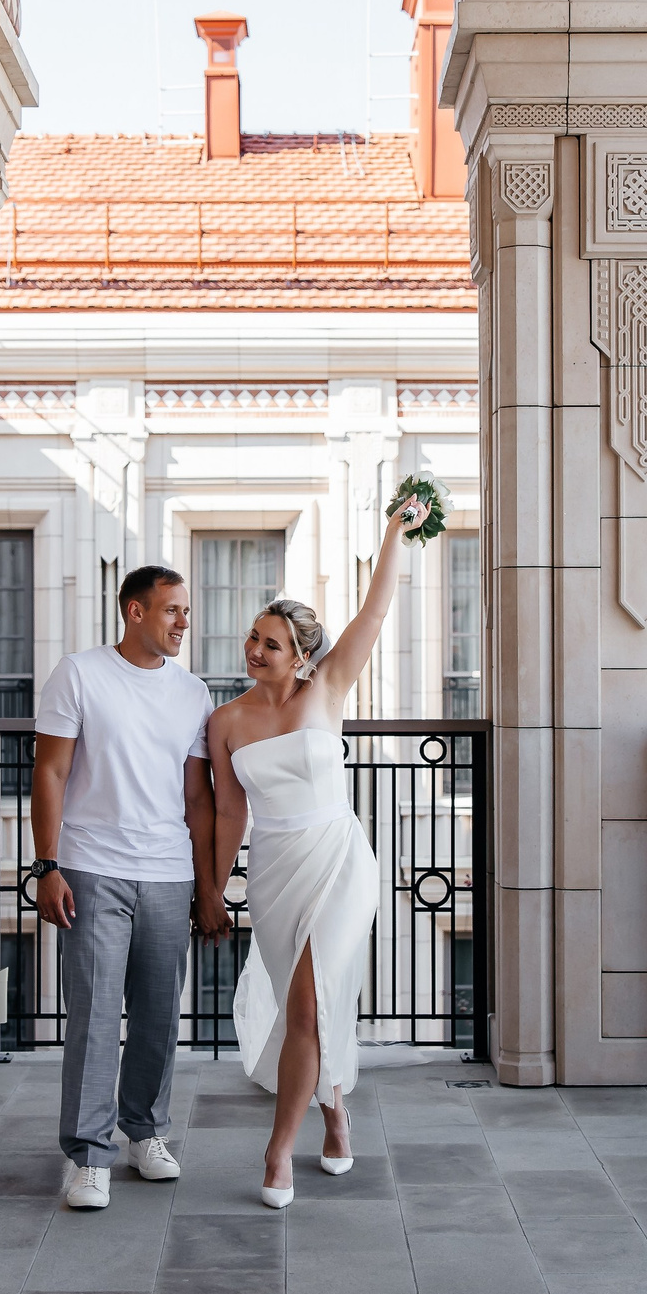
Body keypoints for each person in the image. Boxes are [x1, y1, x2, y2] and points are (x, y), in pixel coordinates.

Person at [201, 493, 430, 1207]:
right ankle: (335, 1111)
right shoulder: (225, 720)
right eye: (251, 638)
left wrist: (394, 530)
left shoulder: (328, 686)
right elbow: (230, 808)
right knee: (314, 1000)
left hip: (338, 858)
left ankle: (277, 1153)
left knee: (306, 1001)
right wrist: (214, 888)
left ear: (300, 654)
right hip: (274, 870)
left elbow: (375, 610)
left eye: (270, 642)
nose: (254, 649)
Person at [29, 565, 217, 1211]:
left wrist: (209, 883)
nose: (183, 622)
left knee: (160, 1014)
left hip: (169, 871)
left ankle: (146, 1131)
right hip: (91, 865)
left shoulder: (194, 694)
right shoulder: (79, 674)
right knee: (96, 1013)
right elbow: (49, 771)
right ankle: (87, 1154)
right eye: (171, 610)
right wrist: (46, 864)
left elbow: (198, 796)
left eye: (186, 610)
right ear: (134, 611)